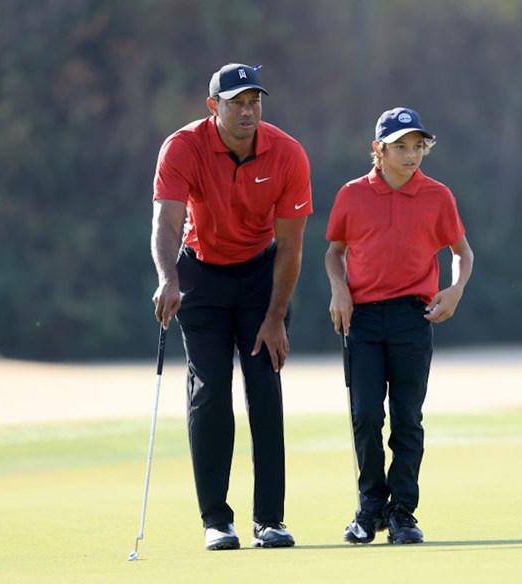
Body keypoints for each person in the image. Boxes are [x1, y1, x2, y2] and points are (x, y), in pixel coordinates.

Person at [151, 63, 312, 551]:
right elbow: (166, 220)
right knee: (211, 392)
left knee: (265, 386)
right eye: (236, 102)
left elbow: (291, 247)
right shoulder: (183, 147)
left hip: (262, 278)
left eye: (254, 102)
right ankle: (216, 521)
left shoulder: (286, 153)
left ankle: (271, 520)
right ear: (212, 106)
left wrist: (276, 317)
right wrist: (168, 278)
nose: (248, 111)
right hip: (200, 276)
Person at [325, 107, 473, 545]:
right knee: (367, 415)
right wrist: (339, 291)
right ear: (379, 149)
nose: (412, 156)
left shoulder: (438, 195)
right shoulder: (352, 195)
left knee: (407, 419)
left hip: (413, 315)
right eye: (402, 147)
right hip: (364, 318)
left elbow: (462, 252)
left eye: (418, 147)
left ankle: (403, 512)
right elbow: (334, 252)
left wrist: (455, 289)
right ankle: (370, 507)